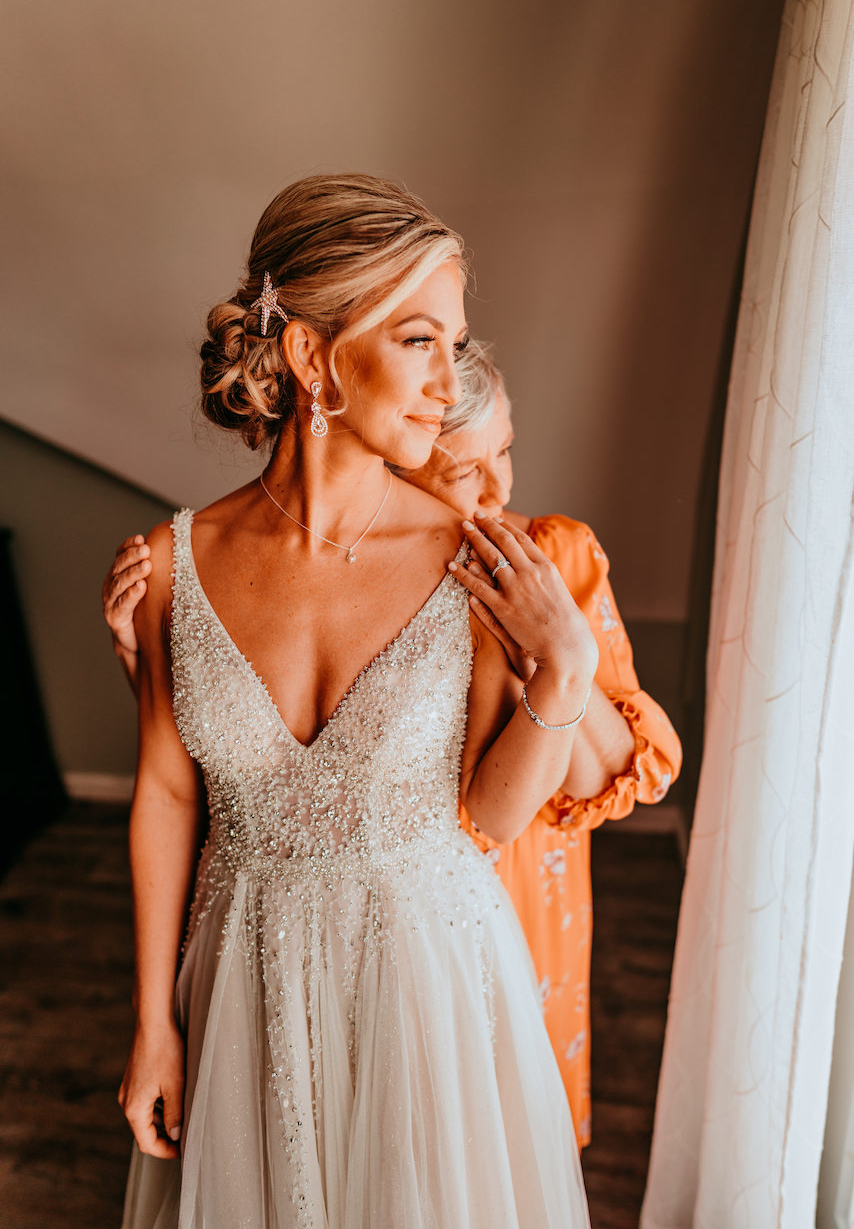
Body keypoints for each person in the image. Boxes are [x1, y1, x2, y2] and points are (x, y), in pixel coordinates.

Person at [116, 173, 596, 1229]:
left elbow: (491, 818)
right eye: (418, 338)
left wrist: (559, 673)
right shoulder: (168, 565)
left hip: (427, 984)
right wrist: (153, 1021)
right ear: (310, 355)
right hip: (242, 977)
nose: (445, 380)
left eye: (454, 342)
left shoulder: (469, 558)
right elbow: (163, 793)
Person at [105, 341, 682, 1152]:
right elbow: (246, 776)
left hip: (486, 908)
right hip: (284, 933)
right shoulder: (222, 555)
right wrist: (152, 660)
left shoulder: (536, 557)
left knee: (475, 1144)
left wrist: (563, 660)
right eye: (464, 470)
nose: (499, 490)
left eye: (507, 450)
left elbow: (609, 779)